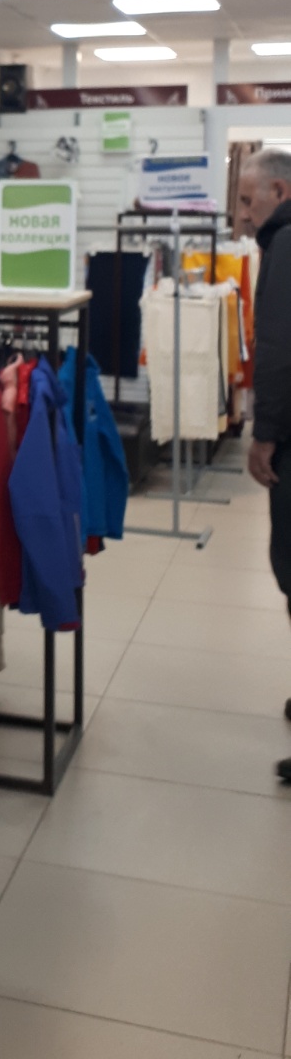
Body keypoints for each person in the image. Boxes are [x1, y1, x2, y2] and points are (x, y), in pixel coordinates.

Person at [237, 147, 291, 780]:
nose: (244, 217)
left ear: (280, 191)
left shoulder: (285, 247)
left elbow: (279, 348)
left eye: (249, 201)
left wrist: (265, 434)